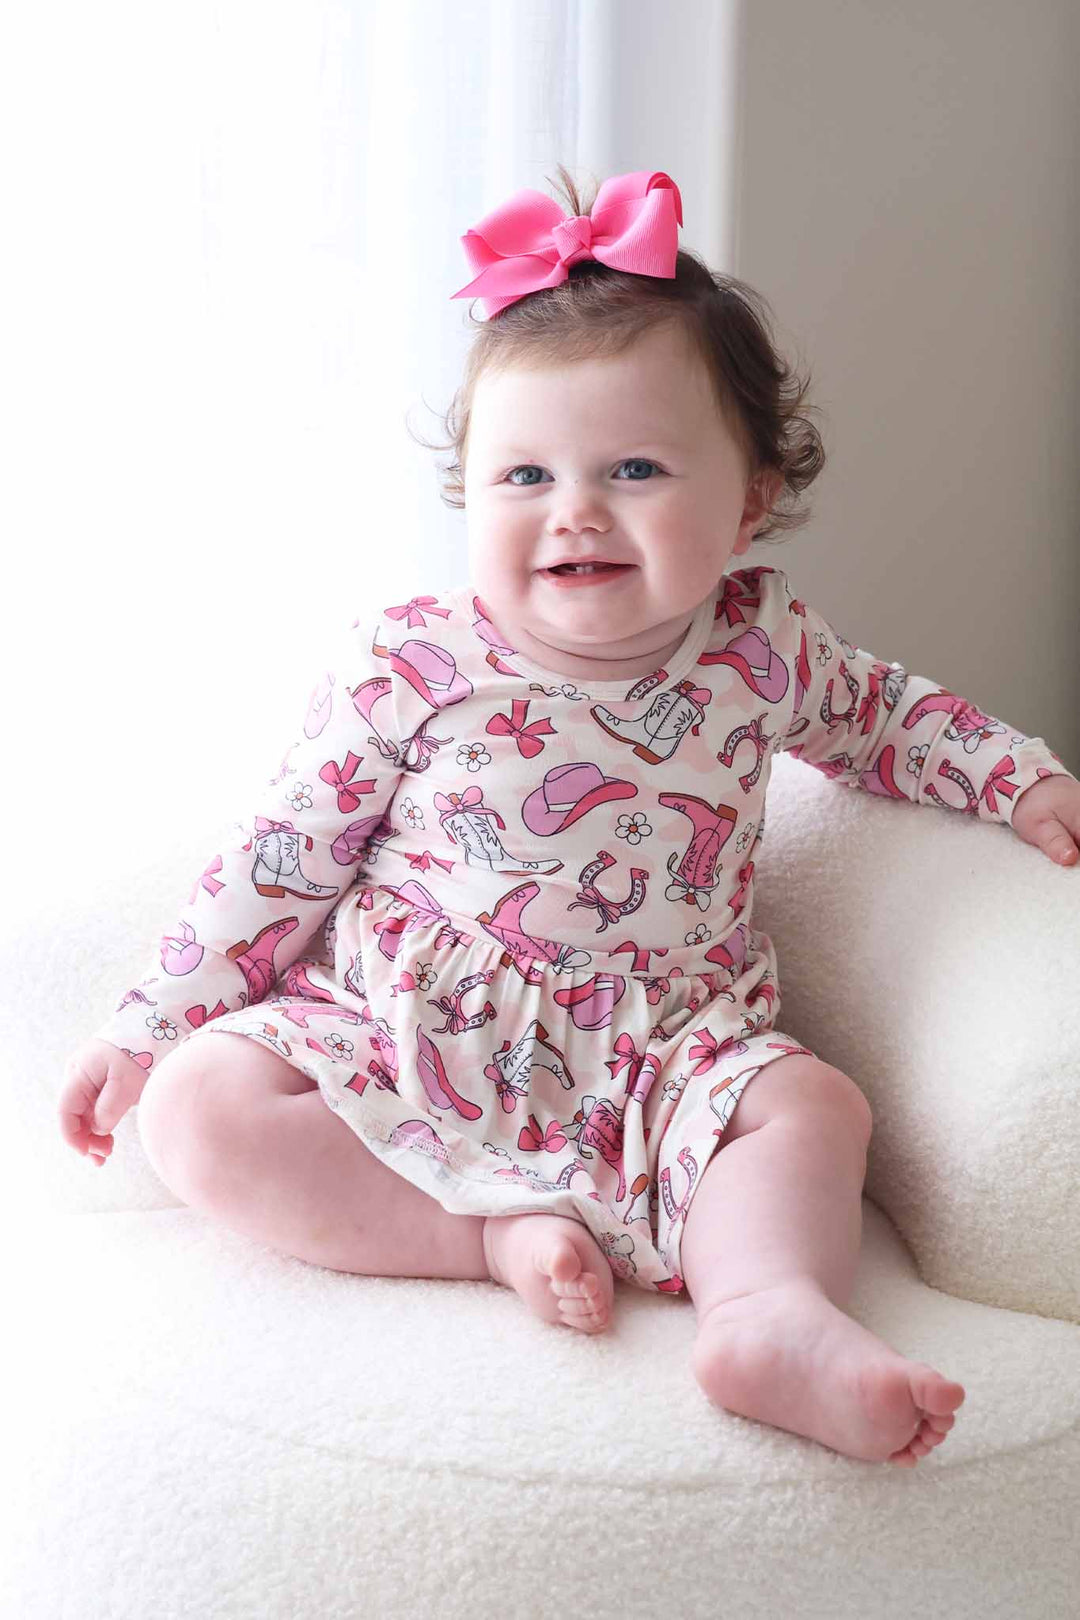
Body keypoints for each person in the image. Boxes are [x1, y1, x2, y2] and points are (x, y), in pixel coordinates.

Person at [58, 166, 1080, 1469]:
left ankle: (768, 1313)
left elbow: (890, 724)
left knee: (814, 1111)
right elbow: (278, 863)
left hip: (665, 1047)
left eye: (636, 468)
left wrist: (1016, 775)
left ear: (752, 500)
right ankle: (481, 1234)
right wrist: (151, 1026)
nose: (574, 510)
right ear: (470, 495)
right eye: (524, 473)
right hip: (415, 1035)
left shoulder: (758, 649)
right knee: (200, 1108)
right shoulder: (410, 665)